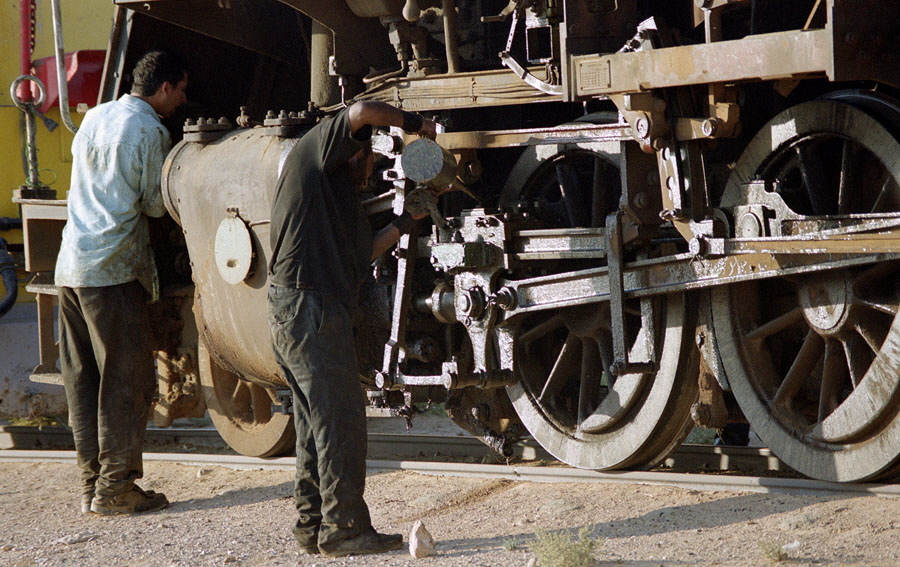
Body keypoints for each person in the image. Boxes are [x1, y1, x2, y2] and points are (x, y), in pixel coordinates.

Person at [268, 101, 437, 557]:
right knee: (340, 422)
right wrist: (418, 124)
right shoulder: (314, 151)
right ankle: (344, 531)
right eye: (373, 160)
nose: (373, 171)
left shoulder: (333, 194)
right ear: (354, 149)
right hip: (311, 309)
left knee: (312, 427)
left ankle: (312, 525)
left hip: (298, 310)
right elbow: (362, 110)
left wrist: (407, 221)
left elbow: (360, 255)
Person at [55, 49, 188, 516]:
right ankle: (116, 489)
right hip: (111, 271)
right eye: (181, 90)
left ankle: (93, 484)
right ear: (165, 87)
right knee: (126, 381)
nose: (182, 100)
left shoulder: (95, 117)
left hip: (70, 265)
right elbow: (155, 205)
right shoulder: (152, 130)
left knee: (83, 380)